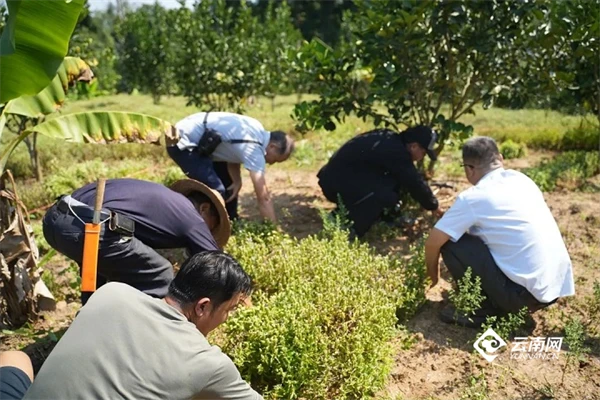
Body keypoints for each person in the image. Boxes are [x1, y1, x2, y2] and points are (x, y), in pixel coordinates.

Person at [0, 251, 263, 400]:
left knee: (14, 358)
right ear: (203, 306)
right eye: (228, 310)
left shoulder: (111, 293)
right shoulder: (208, 364)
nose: (226, 319)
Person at [425, 137, 575, 327]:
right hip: (553, 289)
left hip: (521, 297)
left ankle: (481, 311)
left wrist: (433, 277)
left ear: (469, 169)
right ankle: (504, 300)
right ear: (501, 159)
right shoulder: (522, 180)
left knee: (451, 243)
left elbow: (432, 243)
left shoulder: (472, 198)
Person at [43, 178, 230, 304]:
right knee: (161, 274)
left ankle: (90, 323)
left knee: (101, 277)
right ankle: (145, 334)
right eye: (211, 226)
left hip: (55, 220)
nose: (208, 232)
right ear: (205, 208)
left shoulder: (164, 200)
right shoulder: (192, 216)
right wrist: (240, 296)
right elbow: (218, 264)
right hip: (90, 226)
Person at [167, 111, 295, 223]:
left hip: (202, 143)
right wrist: (272, 229)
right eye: (276, 160)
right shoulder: (254, 148)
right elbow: (264, 197)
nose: (271, 163)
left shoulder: (256, 128)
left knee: (229, 186)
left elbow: (233, 150)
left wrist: (237, 181)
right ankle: (194, 225)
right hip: (182, 142)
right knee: (216, 190)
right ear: (272, 146)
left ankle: (231, 221)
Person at [317, 125, 443, 237]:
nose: (423, 156)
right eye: (424, 152)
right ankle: (344, 225)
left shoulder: (390, 140)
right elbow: (414, 182)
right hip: (335, 184)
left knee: (392, 184)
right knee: (384, 194)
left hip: (335, 179)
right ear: (414, 146)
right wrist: (433, 205)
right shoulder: (397, 152)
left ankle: (382, 218)